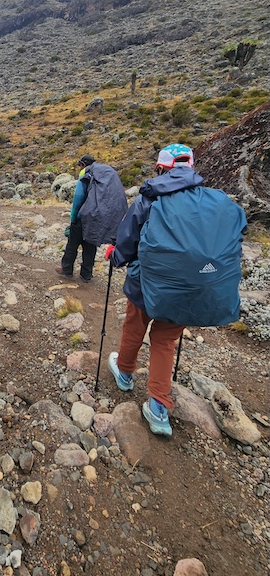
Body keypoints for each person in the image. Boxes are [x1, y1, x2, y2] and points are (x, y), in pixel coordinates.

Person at [105, 143, 246, 437]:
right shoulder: (214, 200)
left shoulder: (150, 197)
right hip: (191, 287)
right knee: (165, 340)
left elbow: (128, 242)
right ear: (190, 168)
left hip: (146, 283)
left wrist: (115, 256)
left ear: (161, 168)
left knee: (134, 326)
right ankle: (158, 408)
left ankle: (125, 374)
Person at [56, 154, 127, 282]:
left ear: (83, 164)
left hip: (82, 218)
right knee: (90, 246)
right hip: (97, 218)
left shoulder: (86, 175)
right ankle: (86, 274)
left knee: (72, 244)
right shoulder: (103, 176)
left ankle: (67, 270)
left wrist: (73, 218)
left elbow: (78, 198)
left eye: (79, 166)